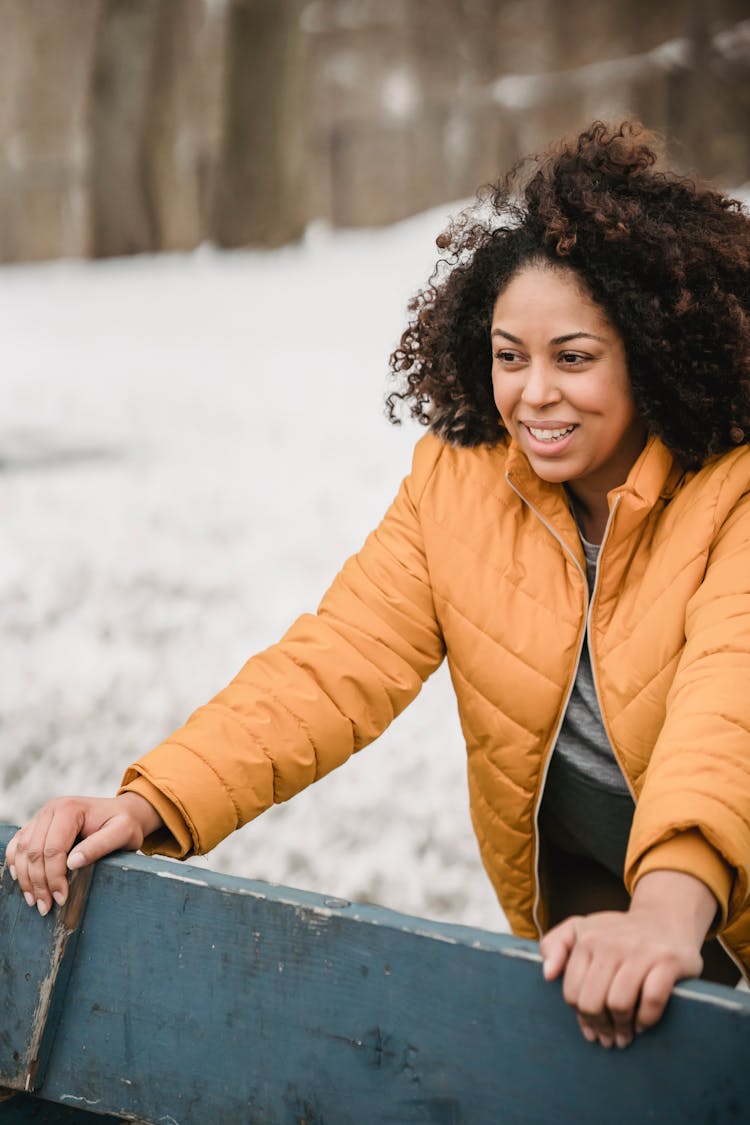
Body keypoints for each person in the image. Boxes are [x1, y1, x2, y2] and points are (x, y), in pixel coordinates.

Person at [7, 121, 750, 1052]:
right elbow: (333, 664)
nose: (532, 394)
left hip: (696, 882)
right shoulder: (460, 481)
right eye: (509, 355)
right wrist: (150, 801)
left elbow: (732, 708)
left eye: (574, 357)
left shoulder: (734, 493)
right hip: (601, 896)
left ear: (652, 350)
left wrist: (669, 909)